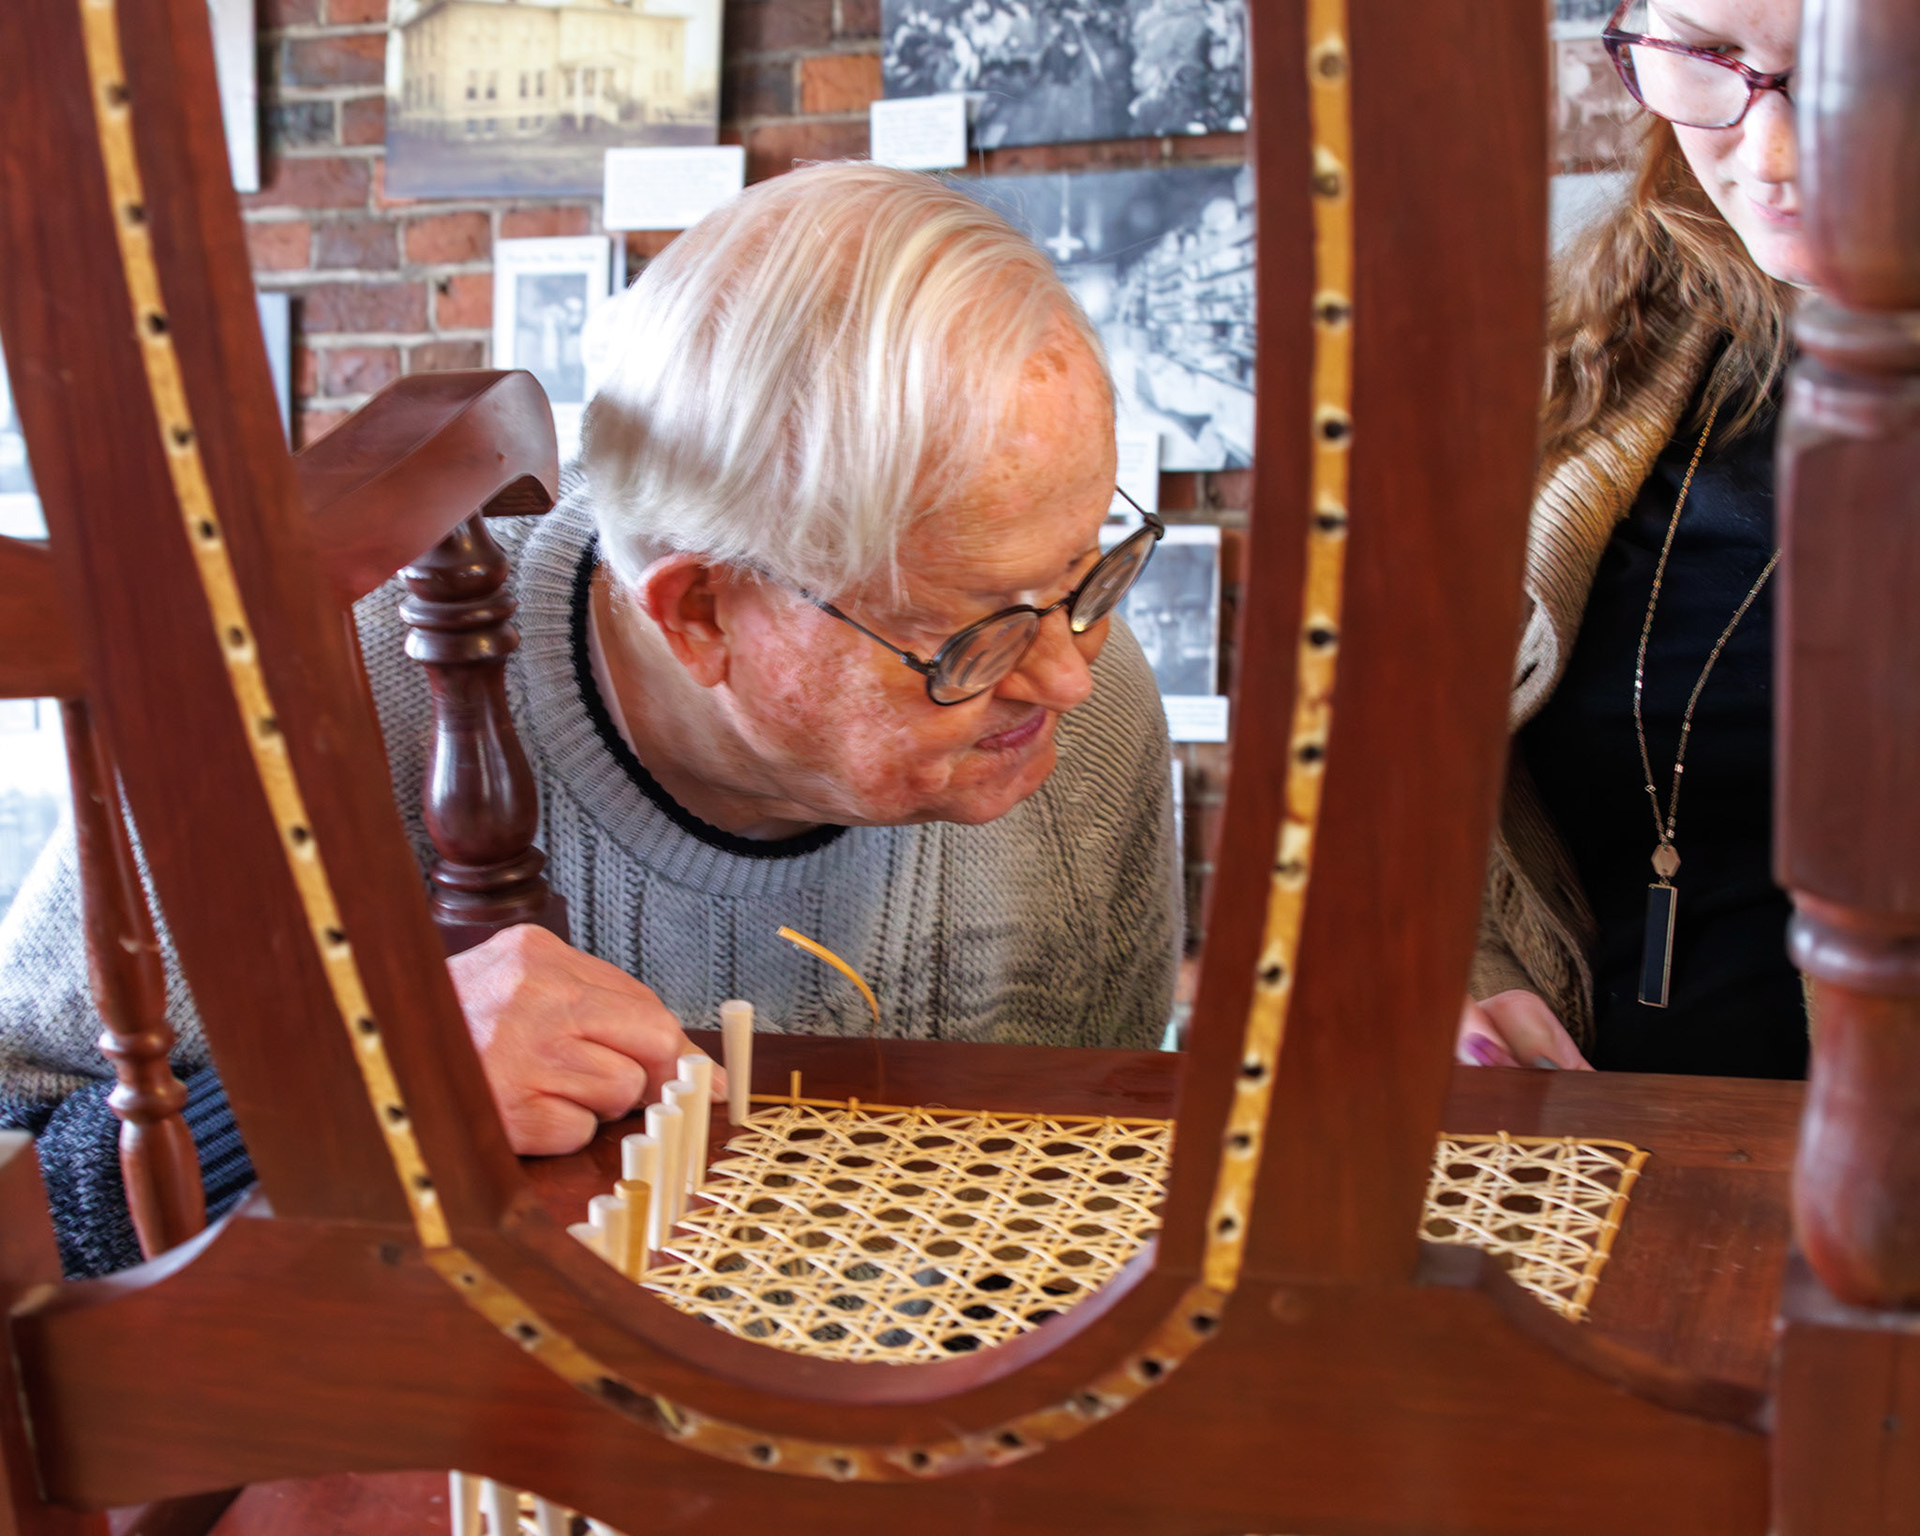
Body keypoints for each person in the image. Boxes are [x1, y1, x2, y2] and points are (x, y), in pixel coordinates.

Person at [0, 164, 1181, 1276]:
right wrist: (349, 1083)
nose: (1067, 678)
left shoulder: (1087, 708)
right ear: (701, 613)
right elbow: (25, 1184)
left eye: (1090, 574)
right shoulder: (310, 713)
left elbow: (1104, 1189)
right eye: (973, 637)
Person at [1460, 0, 1808, 1077]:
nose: (1774, 156)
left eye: (1855, 73)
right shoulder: (1586, 353)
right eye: (1706, 55)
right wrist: (1467, 971)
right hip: (1597, 1147)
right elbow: (1399, 768)